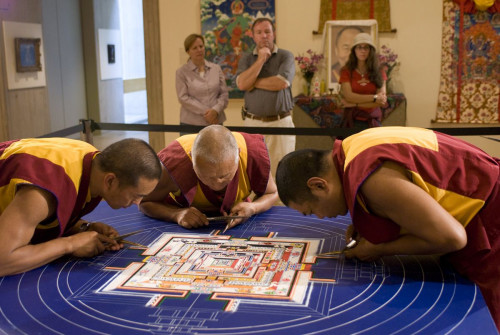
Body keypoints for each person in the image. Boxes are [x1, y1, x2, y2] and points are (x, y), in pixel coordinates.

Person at [275, 126, 500, 330]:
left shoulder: (374, 181)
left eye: (312, 210)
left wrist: (378, 249)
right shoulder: (352, 146)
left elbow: (453, 238)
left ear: (318, 184)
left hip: (491, 219)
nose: (321, 217)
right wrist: (366, 217)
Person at [0, 137, 162, 277]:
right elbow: (3, 261)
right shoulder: (41, 194)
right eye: (136, 195)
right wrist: (70, 244)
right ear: (110, 181)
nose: (137, 203)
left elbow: (57, 210)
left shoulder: (92, 160)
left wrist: (84, 227)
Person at [139, 125, 279, 230]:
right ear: (191, 159)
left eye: (224, 176)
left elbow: (272, 193)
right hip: (186, 225)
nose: (216, 184)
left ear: (238, 155)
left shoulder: (251, 154)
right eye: (206, 177)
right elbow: (145, 203)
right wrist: (176, 215)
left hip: (237, 221)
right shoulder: (176, 162)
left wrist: (253, 207)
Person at [236, 18, 295, 176]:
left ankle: (281, 202)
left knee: (283, 172)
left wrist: (253, 82)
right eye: (259, 32)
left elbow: (281, 83)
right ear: (253, 36)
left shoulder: (285, 56)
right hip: (252, 123)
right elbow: (241, 84)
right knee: (254, 171)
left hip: (280, 123)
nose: (264, 36)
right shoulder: (246, 59)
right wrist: (261, 59)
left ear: (274, 34)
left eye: (267, 32)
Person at [176, 34, 228, 135]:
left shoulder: (216, 69)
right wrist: (208, 113)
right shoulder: (181, 72)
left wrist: (215, 111)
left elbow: (224, 95)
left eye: (201, 46)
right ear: (188, 52)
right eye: (194, 48)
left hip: (216, 122)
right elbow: (183, 98)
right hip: (190, 125)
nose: (199, 50)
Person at [339, 32, 387, 128]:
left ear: (371, 50)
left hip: (373, 120)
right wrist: (374, 97)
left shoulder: (379, 71)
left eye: (366, 47)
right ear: (354, 50)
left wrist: (354, 104)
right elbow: (348, 96)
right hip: (352, 120)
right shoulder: (346, 71)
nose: (363, 51)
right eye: (359, 47)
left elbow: (381, 101)